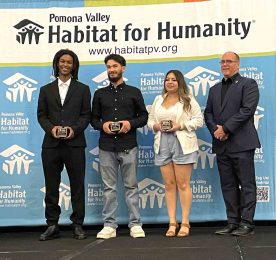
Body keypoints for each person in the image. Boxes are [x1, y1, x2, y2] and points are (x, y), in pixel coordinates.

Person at [91, 54, 148, 239]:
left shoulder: (134, 91)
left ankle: (135, 224)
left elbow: (144, 117)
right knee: (109, 188)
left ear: (123, 68)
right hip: (106, 146)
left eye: (115, 66)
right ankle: (109, 225)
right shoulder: (99, 94)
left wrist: (130, 124)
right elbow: (93, 119)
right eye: (108, 67)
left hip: (128, 145)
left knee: (131, 186)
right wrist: (103, 125)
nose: (111, 70)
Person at [204, 51, 260, 236]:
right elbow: (208, 114)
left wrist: (225, 129)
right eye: (222, 62)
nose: (225, 64)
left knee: (247, 184)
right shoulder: (214, 89)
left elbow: (247, 110)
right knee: (228, 185)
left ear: (238, 64)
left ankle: (247, 223)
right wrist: (216, 131)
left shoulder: (248, 84)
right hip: (222, 145)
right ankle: (232, 222)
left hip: (242, 143)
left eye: (229, 61)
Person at [37, 49, 91, 241]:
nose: (65, 65)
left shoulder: (83, 89)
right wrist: (51, 129)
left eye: (69, 62)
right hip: (51, 145)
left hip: (75, 144)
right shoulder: (45, 89)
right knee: (51, 186)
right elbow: (41, 115)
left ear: (74, 66)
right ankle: (52, 225)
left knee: (77, 186)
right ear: (57, 64)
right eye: (62, 61)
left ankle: (78, 225)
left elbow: (86, 115)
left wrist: (73, 130)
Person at [148, 70, 203, 237]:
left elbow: (199, 120)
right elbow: (150, 120)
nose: (169, 82)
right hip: (162, 143)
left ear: (180, 82)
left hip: (182, 143)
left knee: (183, 184)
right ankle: (172, 222)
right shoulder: (158, 99)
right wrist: (155, 126)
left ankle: (185, 222)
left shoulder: (188, 99)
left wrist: (180, 125)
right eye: (167, 79)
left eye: (173, 80)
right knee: (169, 185)